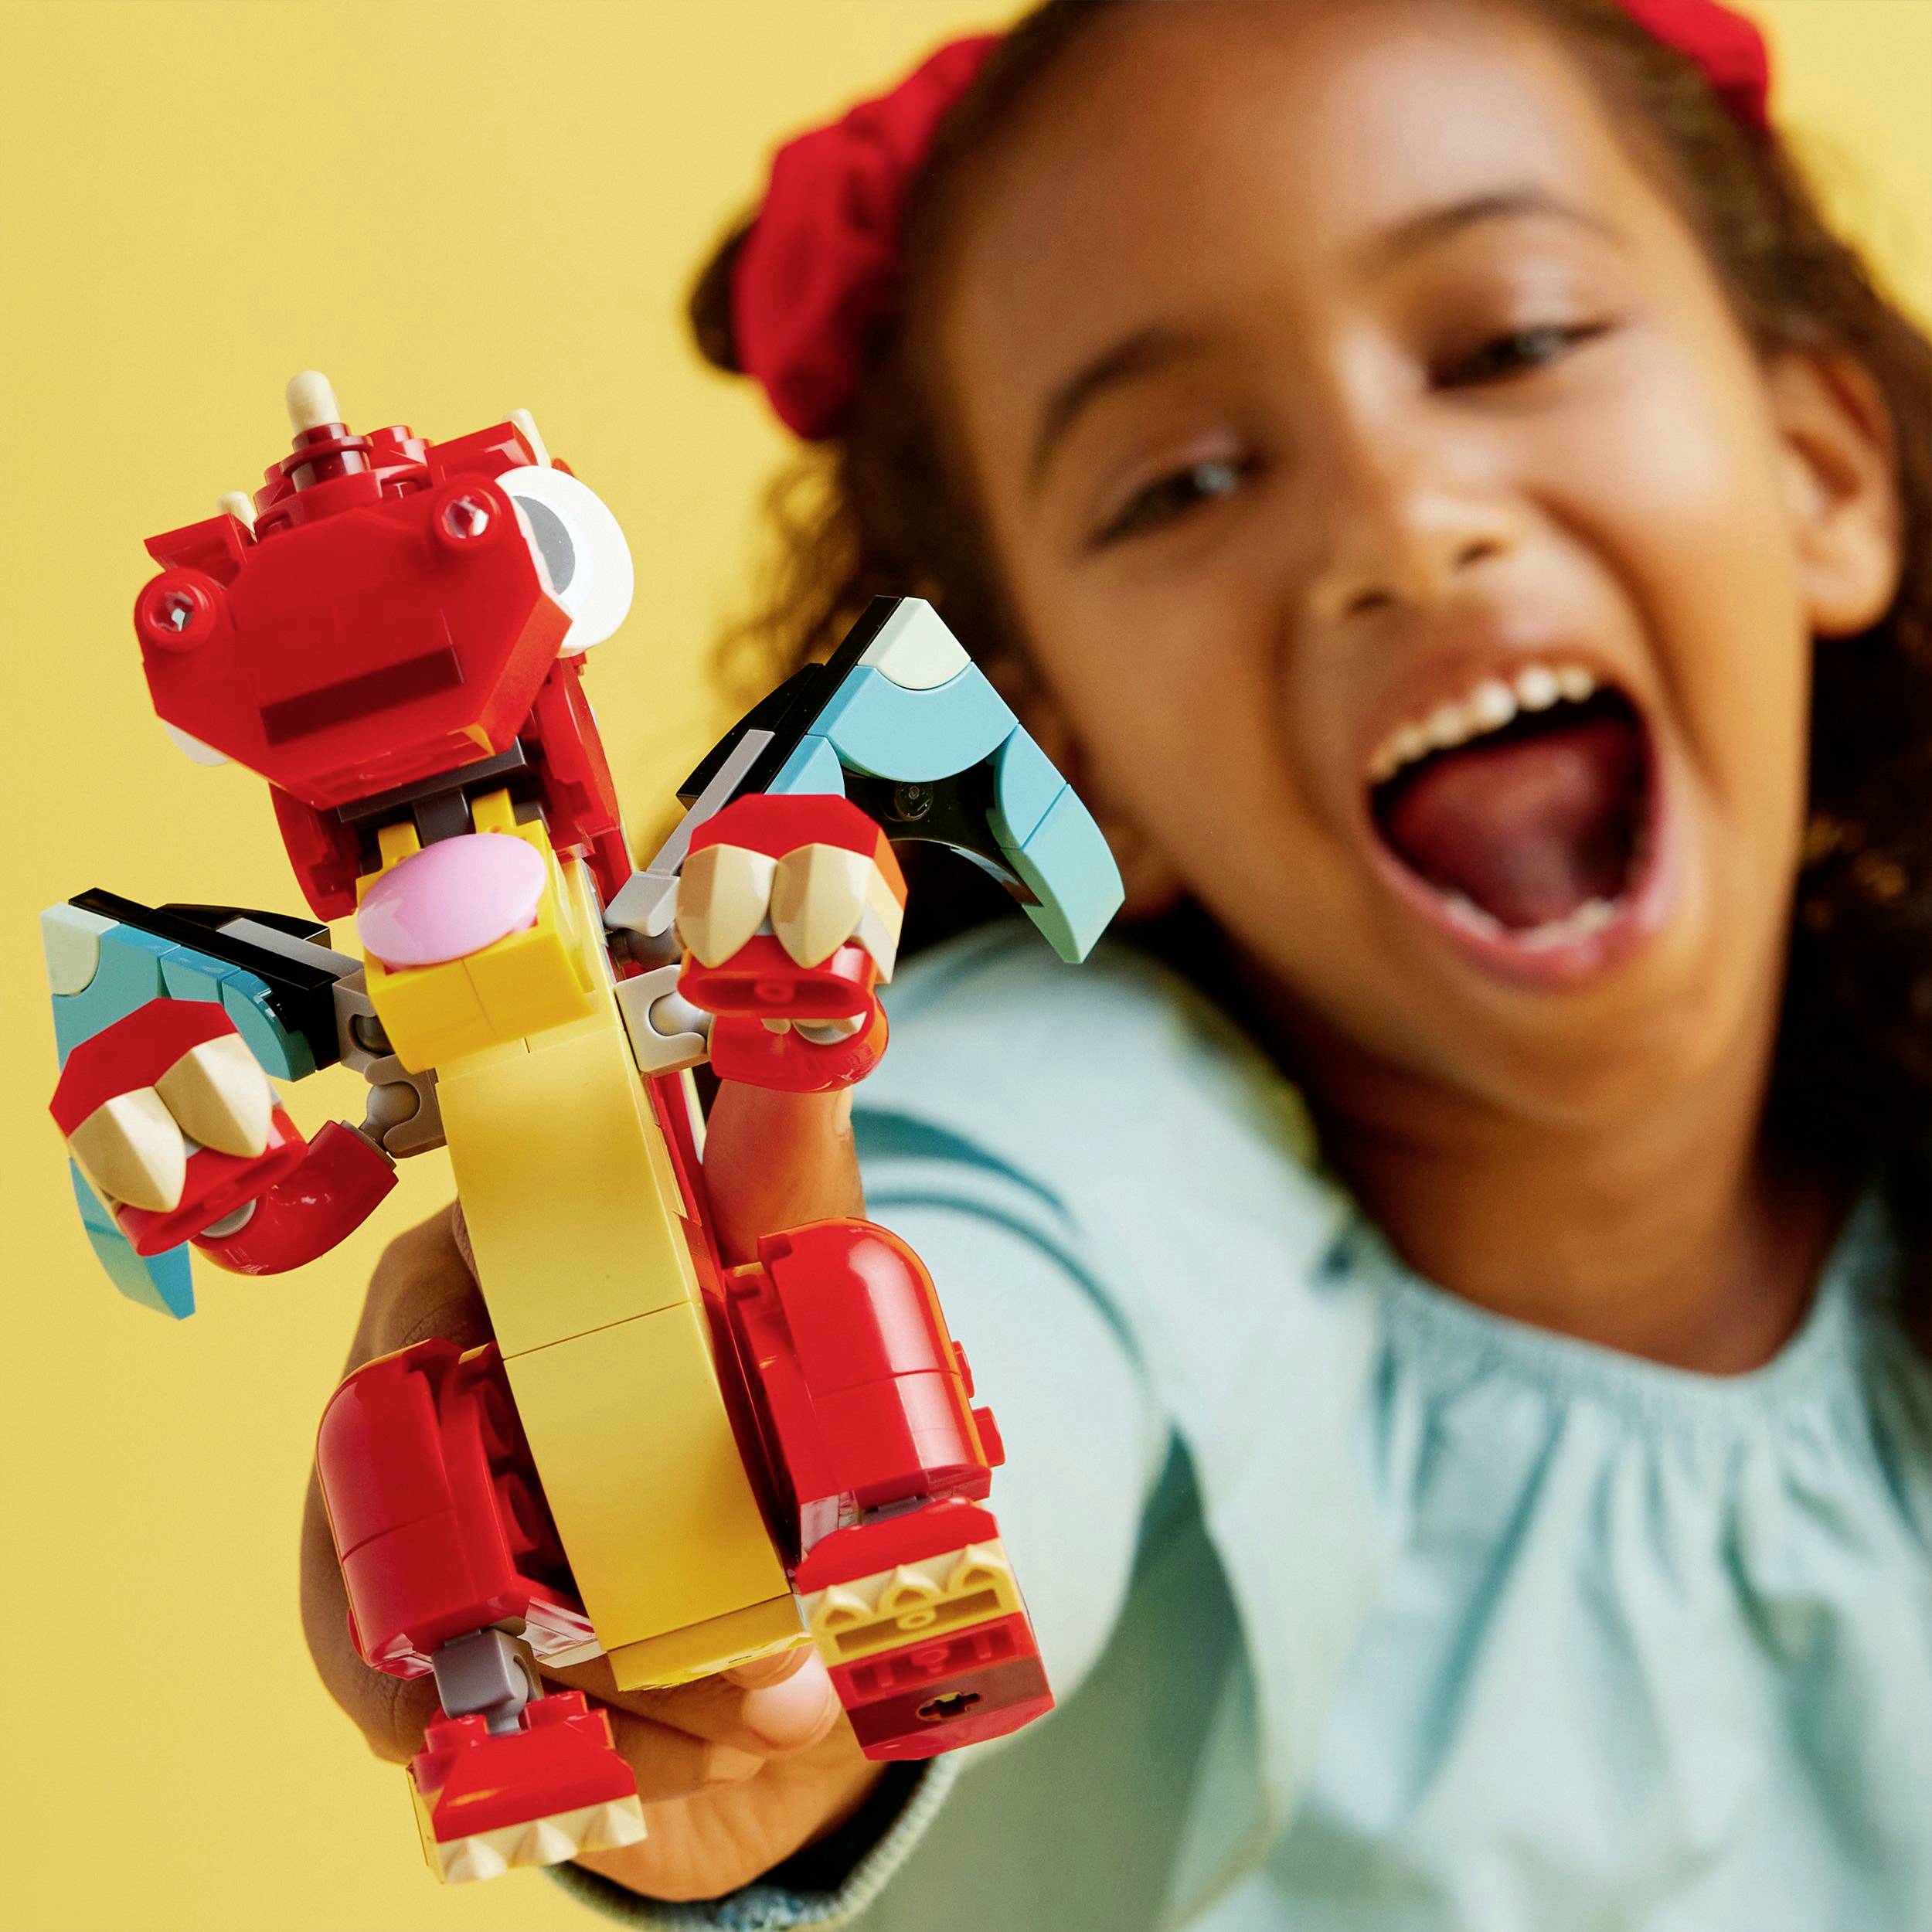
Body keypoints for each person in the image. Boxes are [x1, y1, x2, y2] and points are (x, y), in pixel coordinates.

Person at [301, 1, 1932, 1925]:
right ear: (1059, 753)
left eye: (1513, 344)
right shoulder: (1091, 1144)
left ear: (1819, 476)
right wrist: (780, 1661)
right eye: (1177, 483)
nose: (1400, 532)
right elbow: (976, 1310)